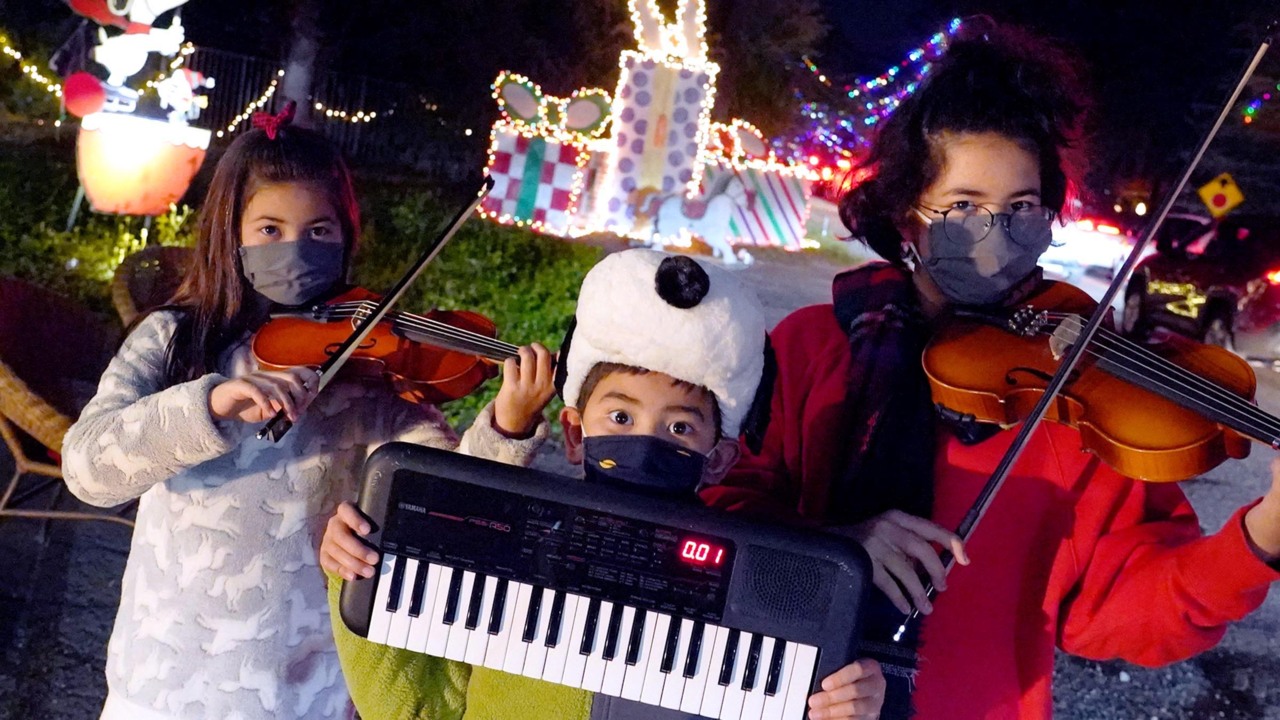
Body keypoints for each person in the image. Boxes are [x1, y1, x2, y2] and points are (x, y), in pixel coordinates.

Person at [701, 20, 1280, 720]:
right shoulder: (807, 348)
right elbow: (711, 518)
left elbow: (1126, 610)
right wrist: (836, 547)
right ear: (907, 216)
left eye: (1022, 209)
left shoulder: (1075, 397)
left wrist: (1261, 536)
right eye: (965, 207)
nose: (996, 234)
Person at [61, 102, 556, 720]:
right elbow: (88, 471)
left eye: (319, 230)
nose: (295, 248)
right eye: (269, 229)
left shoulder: (373, 380)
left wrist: (509, 424)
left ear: (346, 236)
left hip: (302, 690)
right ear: (229, 232)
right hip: (163, 680)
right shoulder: (175, 339)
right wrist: (206, 404)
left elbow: (447, 502)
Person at [321, 248, 887, 720]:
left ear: (717, 461)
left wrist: (848, 706)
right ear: (573, 434)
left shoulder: (754, 581)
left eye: (680, 426)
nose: (646, 438)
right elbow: (413, 709)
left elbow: (804, 698)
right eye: (620, 418)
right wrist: (353, 571)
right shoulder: (503, 546)